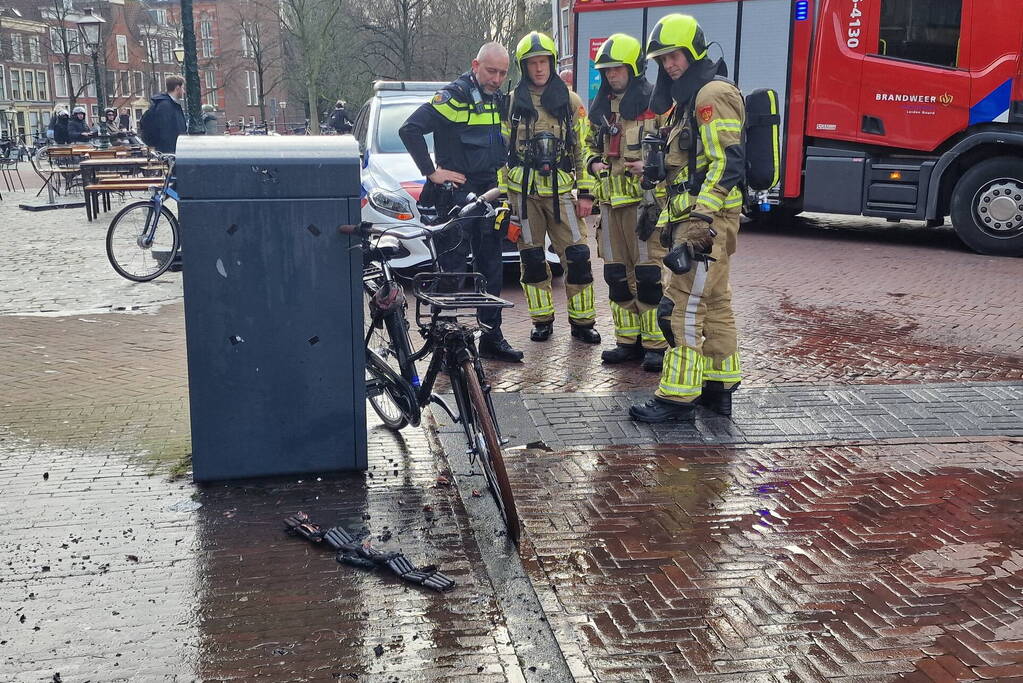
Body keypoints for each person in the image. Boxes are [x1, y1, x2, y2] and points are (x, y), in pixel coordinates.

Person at [629, 14, 746, 424]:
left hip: (704, 223)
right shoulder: (689, 99)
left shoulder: (710, 93)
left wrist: (700, 218)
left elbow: (726, 163)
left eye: (675, 56)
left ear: (693, 51)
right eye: (662, 60)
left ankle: (677, 398)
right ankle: (718, 389)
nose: (669, 65)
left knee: (679, 305)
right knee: (715, 304)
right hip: (700, 218)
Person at [399, 42, 524, 363]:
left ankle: (491, 338)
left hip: (489, 196)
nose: (497, 78)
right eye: (491, 71)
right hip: (452, 198)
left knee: (491, 270)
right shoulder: (453, 95)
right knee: (451, 274)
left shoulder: (499, 99)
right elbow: (410, 129)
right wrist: (431, 172)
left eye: (502, 72)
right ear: (475, 64)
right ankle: (446, 348)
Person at [505, 31, 600, 345]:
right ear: (524, 66)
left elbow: (582, 149)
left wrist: (586, 193)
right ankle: (542, 321)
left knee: (578, 256)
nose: (539, 69)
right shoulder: (512, 103)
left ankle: (583, 323)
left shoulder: (570, 101)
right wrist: (506, 197)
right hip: (524, 196)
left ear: (552, 63)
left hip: (561, 195)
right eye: (532, 63)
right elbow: (500, 153)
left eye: (543, 62)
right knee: (532, 261)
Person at [586, 33, 669, 372]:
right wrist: (593, 163)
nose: (611, 76)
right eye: (606, 71)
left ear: (633, 68)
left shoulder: (655, 106)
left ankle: (655, 344)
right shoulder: (601, 109)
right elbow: (588, 147)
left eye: (617, 70)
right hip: (609, 206)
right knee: (616, 275)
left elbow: (669, 152)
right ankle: (626, 341)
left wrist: (648, 168)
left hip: (643, 205)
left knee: (648, 276)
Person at [144, 75, 187, 153]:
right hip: (170, 152)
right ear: (177, 88)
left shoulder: (166, 104)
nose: (184, 91)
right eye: (183, 88)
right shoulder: (166, 106)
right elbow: (166, 131)